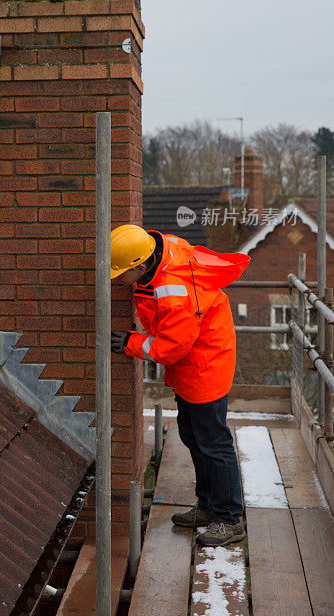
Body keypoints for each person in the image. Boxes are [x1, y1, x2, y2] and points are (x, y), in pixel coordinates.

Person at [110, 224, 251, 547]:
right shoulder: (158, 253)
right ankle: (208, 506)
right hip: (196, 364)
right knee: (193, 435)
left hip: (204, 366)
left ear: (141, 267)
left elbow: (172, 348)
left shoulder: (174, 290)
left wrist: (132, 342)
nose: (117, 281)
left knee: (213, 442)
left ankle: (229, 519)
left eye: (121, 274)